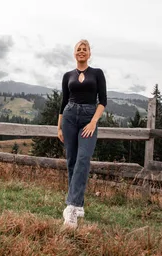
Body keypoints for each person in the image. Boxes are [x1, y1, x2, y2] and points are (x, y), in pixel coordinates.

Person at [57, 39, 107, 228]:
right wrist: (59, 127)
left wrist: (93, 122)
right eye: (79, 49)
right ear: (74, 53)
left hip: (88, 117)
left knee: (83, 158)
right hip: (69, 116)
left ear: (89, 53)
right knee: (71, 160)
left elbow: (103, 101)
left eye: (85, 49)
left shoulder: (97, 73)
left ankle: (71, 206)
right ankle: (78, 206)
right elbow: (63, 103)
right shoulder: (67, 75)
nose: (81, 51)